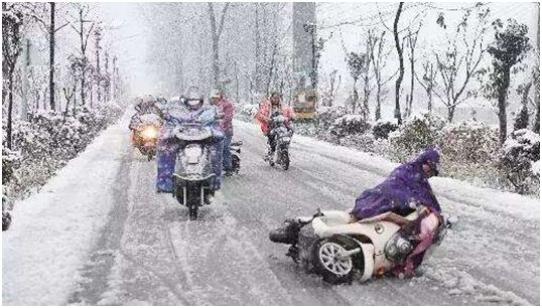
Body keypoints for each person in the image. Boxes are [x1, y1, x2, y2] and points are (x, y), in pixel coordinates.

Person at [155, 87, 224, 193]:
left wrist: (215, 123)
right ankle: (165, 182)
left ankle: (215, 181)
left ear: (201, 100)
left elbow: (215, 123)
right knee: (166, 150)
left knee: (216, 150)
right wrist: (167, 119)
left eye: (196, 101)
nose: (194, 103)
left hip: (203, 138)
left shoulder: (207, 110)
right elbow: (170, 120)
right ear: (186, 100)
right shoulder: (178, 110)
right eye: (191, 101)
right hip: (181, 138)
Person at [255, 92, 295, 161]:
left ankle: (285, 149)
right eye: (275, 98)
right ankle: (270, 151)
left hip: (282, 124)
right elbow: (259, 115)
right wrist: (267, 119)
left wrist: (292, 117)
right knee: (272, 137)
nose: (276, 99)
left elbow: (290, 112)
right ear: (271, 98)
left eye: (278, 98)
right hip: (270, 125)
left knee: (289, 132)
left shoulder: (283, 105)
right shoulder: (266, 105)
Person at [210, 89, 235, 176]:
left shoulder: (227, 105)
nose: (214, 99)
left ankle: (228, 168)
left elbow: (228, 117)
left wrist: (220, 122)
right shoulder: (211, 106)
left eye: (215, 97)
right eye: (213, 98)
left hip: (226, 130)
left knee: (224, 147)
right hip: (214, 131)